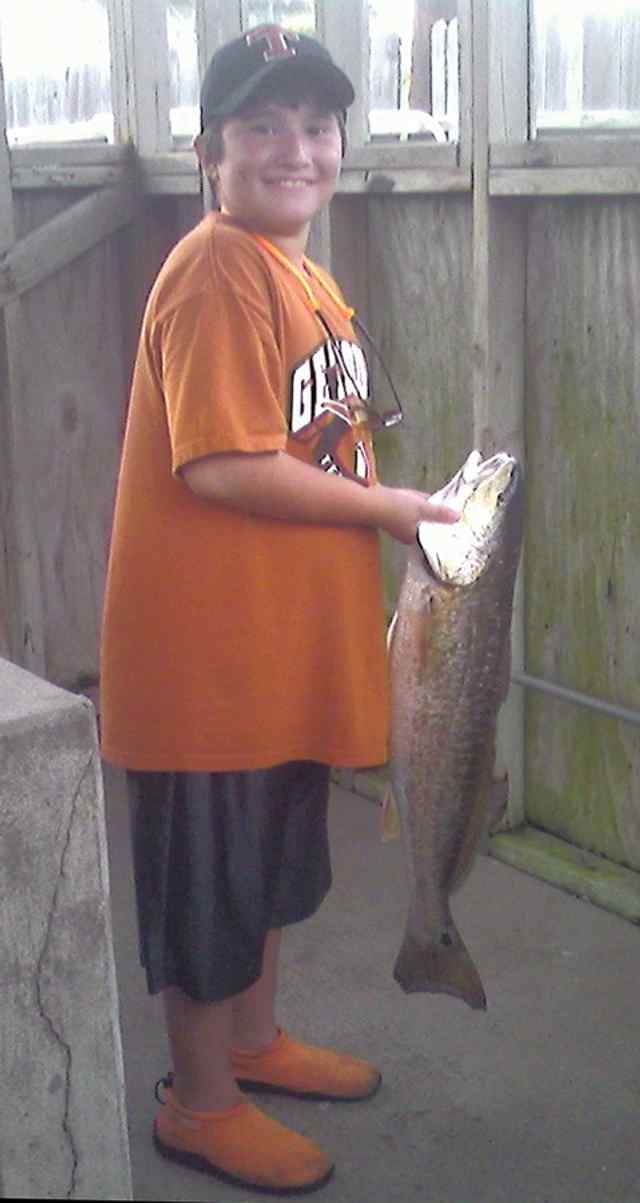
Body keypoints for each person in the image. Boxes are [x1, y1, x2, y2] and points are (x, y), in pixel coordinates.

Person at [100, 23, 458, 1196]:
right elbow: (217, 466)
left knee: (262, 875)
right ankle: (197, 1104)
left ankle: (254, 1048)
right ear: (209, 151)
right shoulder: (213, 269)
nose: (293, 148)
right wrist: (395, 508)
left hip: (277, 659)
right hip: (206, 665)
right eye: (262, 127)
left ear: (340, 143)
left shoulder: (303, 273)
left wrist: (383, 502)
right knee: (208, 897)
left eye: (313, 125)